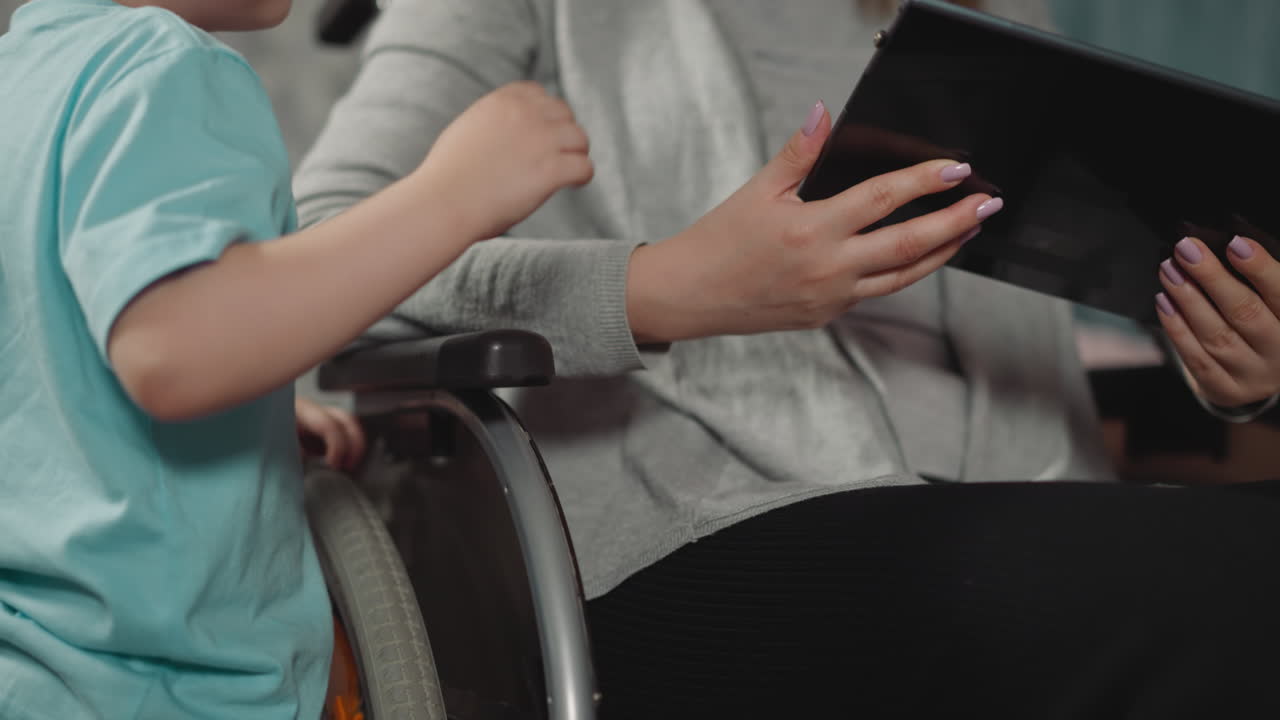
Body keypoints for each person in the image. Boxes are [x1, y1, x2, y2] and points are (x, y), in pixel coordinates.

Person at [295, 0, 1280, 716]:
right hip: (713, 534)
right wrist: (662, 288)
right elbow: (318, 254)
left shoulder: (1001, 19)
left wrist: (1246, 379)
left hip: (1017, 511)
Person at [0, 0, 596, 717]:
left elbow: (46, 373)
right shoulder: (158, 65)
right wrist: (455, 195)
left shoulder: (21, 82)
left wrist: (243, 418)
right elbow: (172, 350)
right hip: (165, 689)